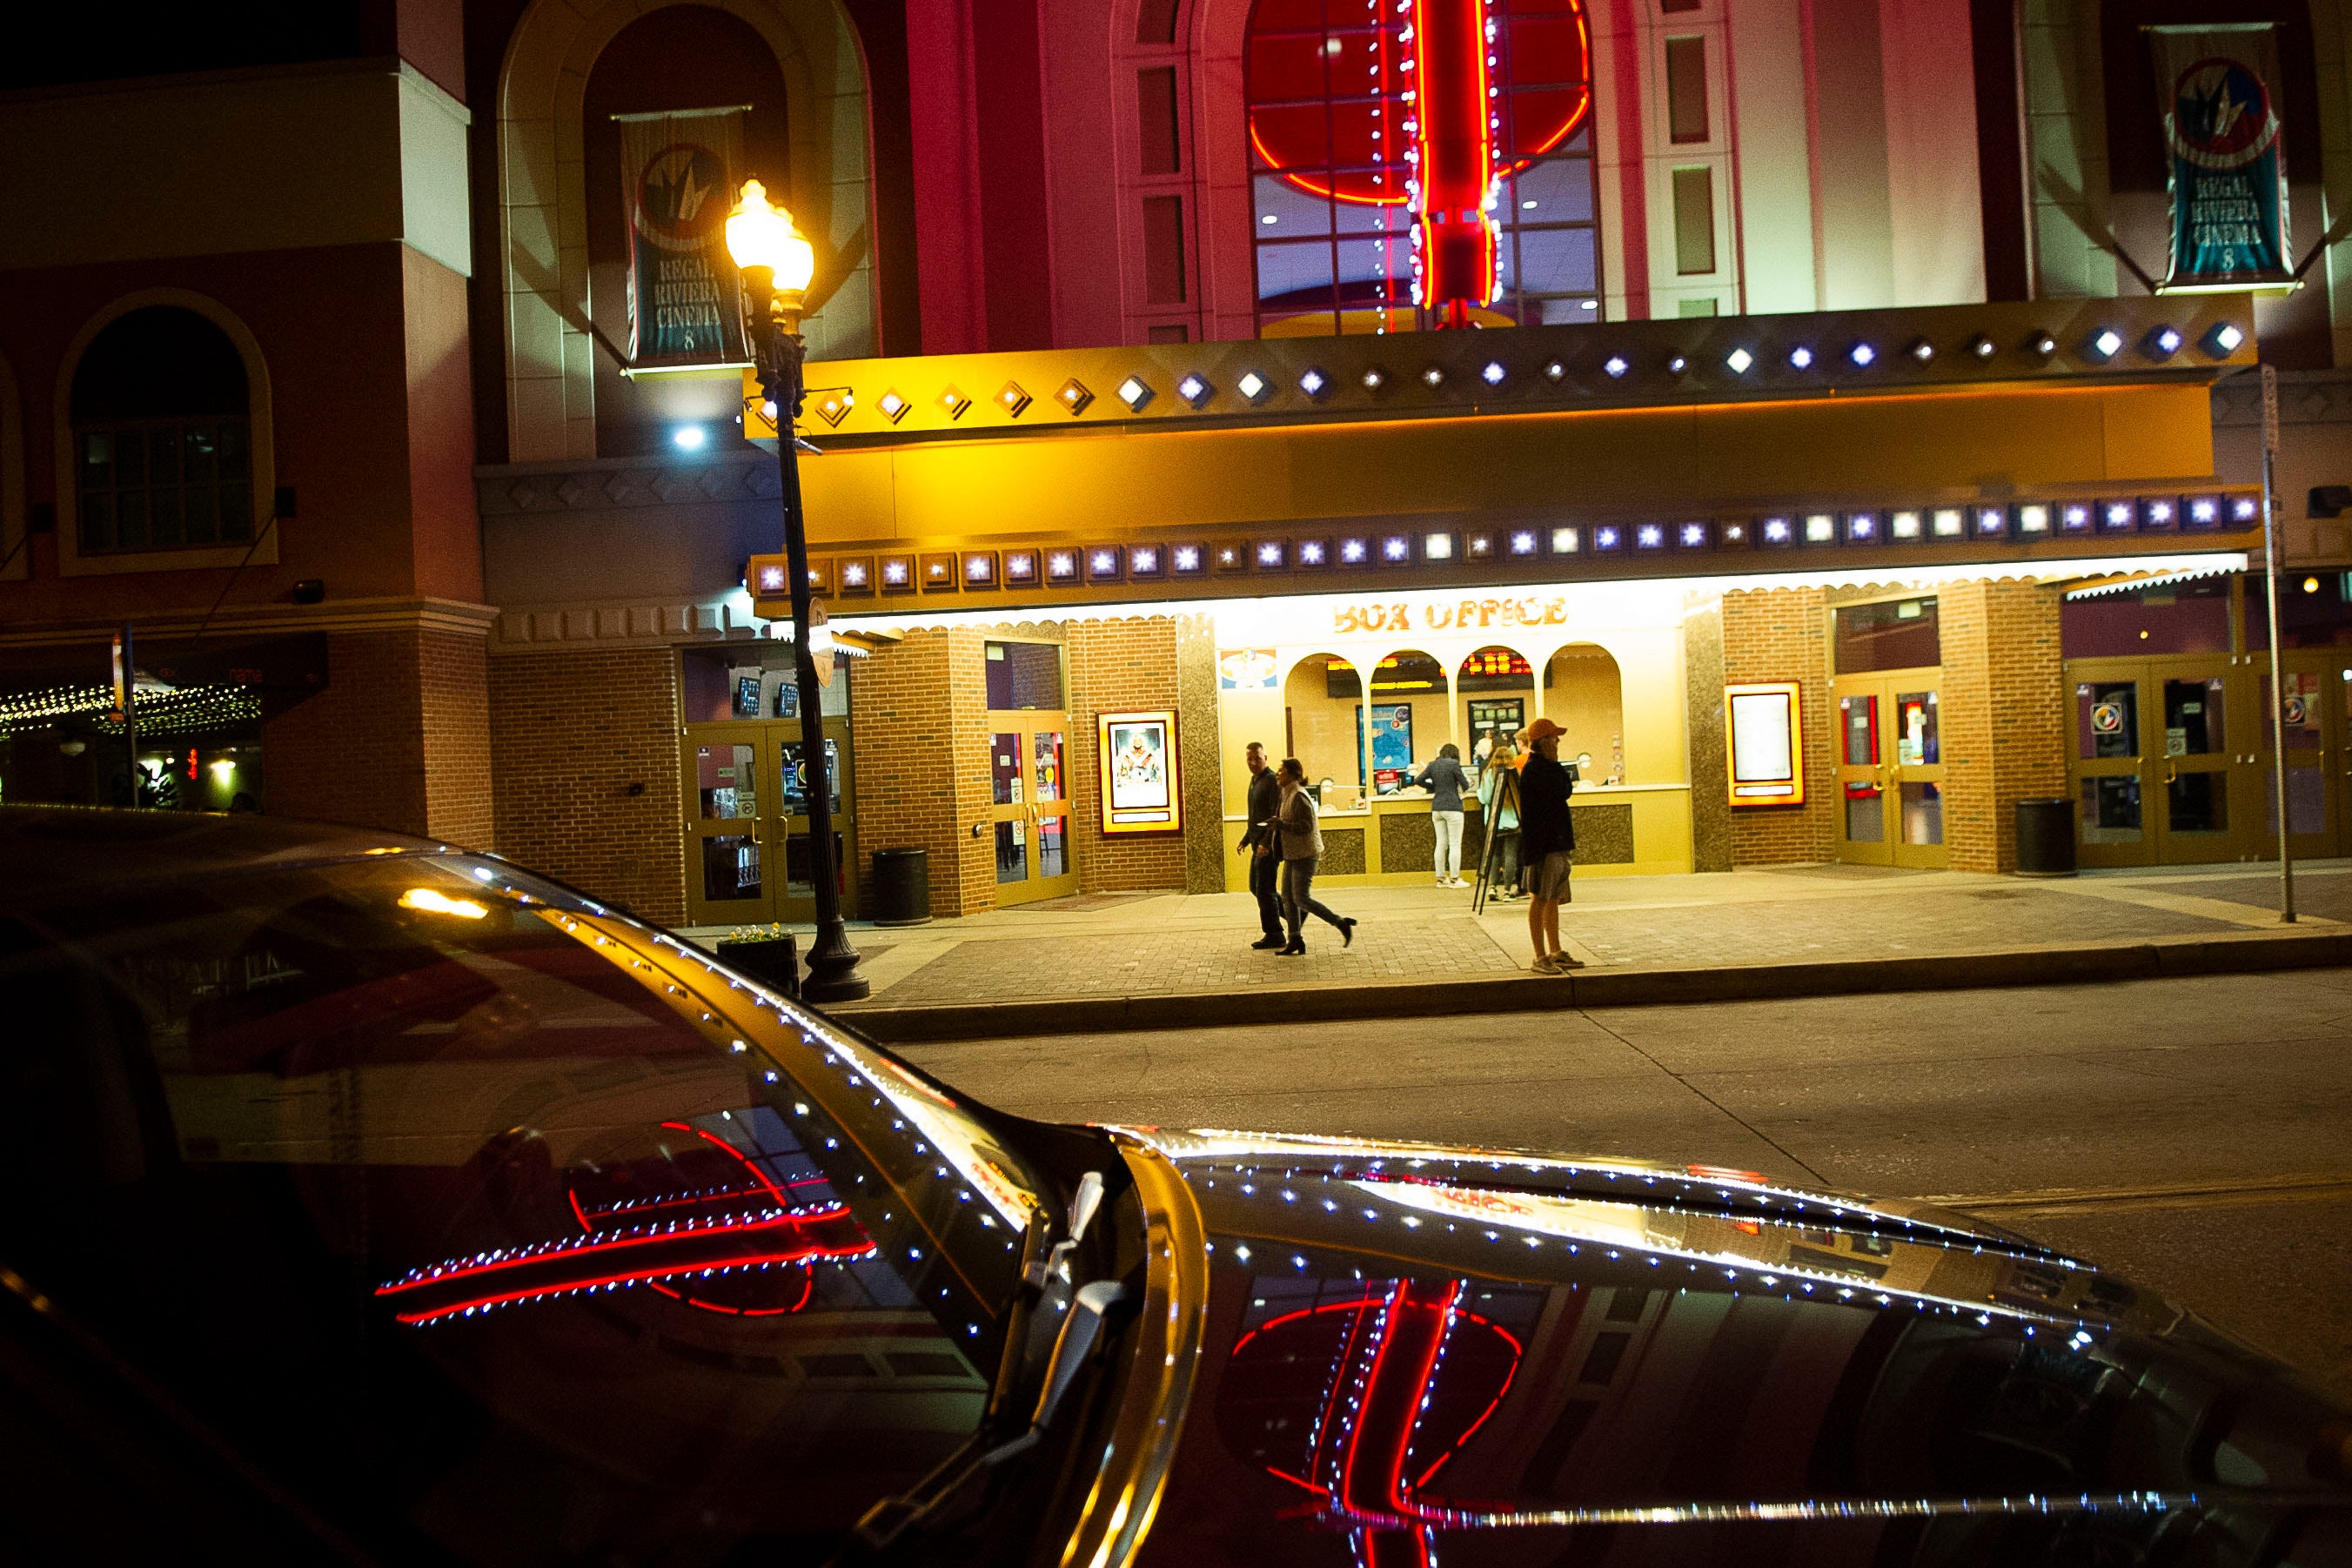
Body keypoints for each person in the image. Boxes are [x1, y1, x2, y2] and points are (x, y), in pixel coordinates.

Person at [1274, 757, 1357, 955]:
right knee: (1288, 898)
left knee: (1301, 898)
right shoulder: (1287, 793)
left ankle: (1340, 922)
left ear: (1293, 775)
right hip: (1293, 853)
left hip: (1306, 853)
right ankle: (1295, 939)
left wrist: (1281, 825)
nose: (1278, 774)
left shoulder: (1299, 796)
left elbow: (1306, 826)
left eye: (1282, 771)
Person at [1518, 717, 1580, 975]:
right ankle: (1539, 956)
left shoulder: (1549, 766)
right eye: (1554, 737)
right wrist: (1556, 765)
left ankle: (1555, 951)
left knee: (1553, 897)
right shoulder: (1535, 769)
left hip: (1558, 842)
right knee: (1540, 898)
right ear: (1543, 741)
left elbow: (1566, 789)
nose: (1558, 741)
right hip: (1544, 845)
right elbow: (1560, 791)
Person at [1234, 740, 1286, 950]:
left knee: (1264, 890)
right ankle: (1296, 913)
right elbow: (1256, 817)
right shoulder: (1254, 781)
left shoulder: (1272, 781)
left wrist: (1266, 843)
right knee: (1256, 887)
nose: (1253, 762)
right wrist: (1246, 839)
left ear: (1266, 758)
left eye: (1257, 758)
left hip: (1268, 846)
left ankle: (1275, 934)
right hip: (1257, 844)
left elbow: (1275, 814)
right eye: (1250, 759)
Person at [1410, 744, 1471, 887]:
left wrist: (1433, 787)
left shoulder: (1433, 764)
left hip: (1437, 808)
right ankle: (1455, 878)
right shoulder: (1454, 764)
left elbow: (1417, 780)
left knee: (1441, 843)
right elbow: (1465, 785)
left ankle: (1441, 878)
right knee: (1455, 843)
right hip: (1453, 807)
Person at [1477, 739, 1521, 900]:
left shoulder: (1488, 774)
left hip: (1495, 822)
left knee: (1494, 855)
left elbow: (1486, 798)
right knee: (1511, 855)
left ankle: (1492, 887)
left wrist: (1479, 793)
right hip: (1513, 821)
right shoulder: (1514, 775)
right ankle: (1508, 890)